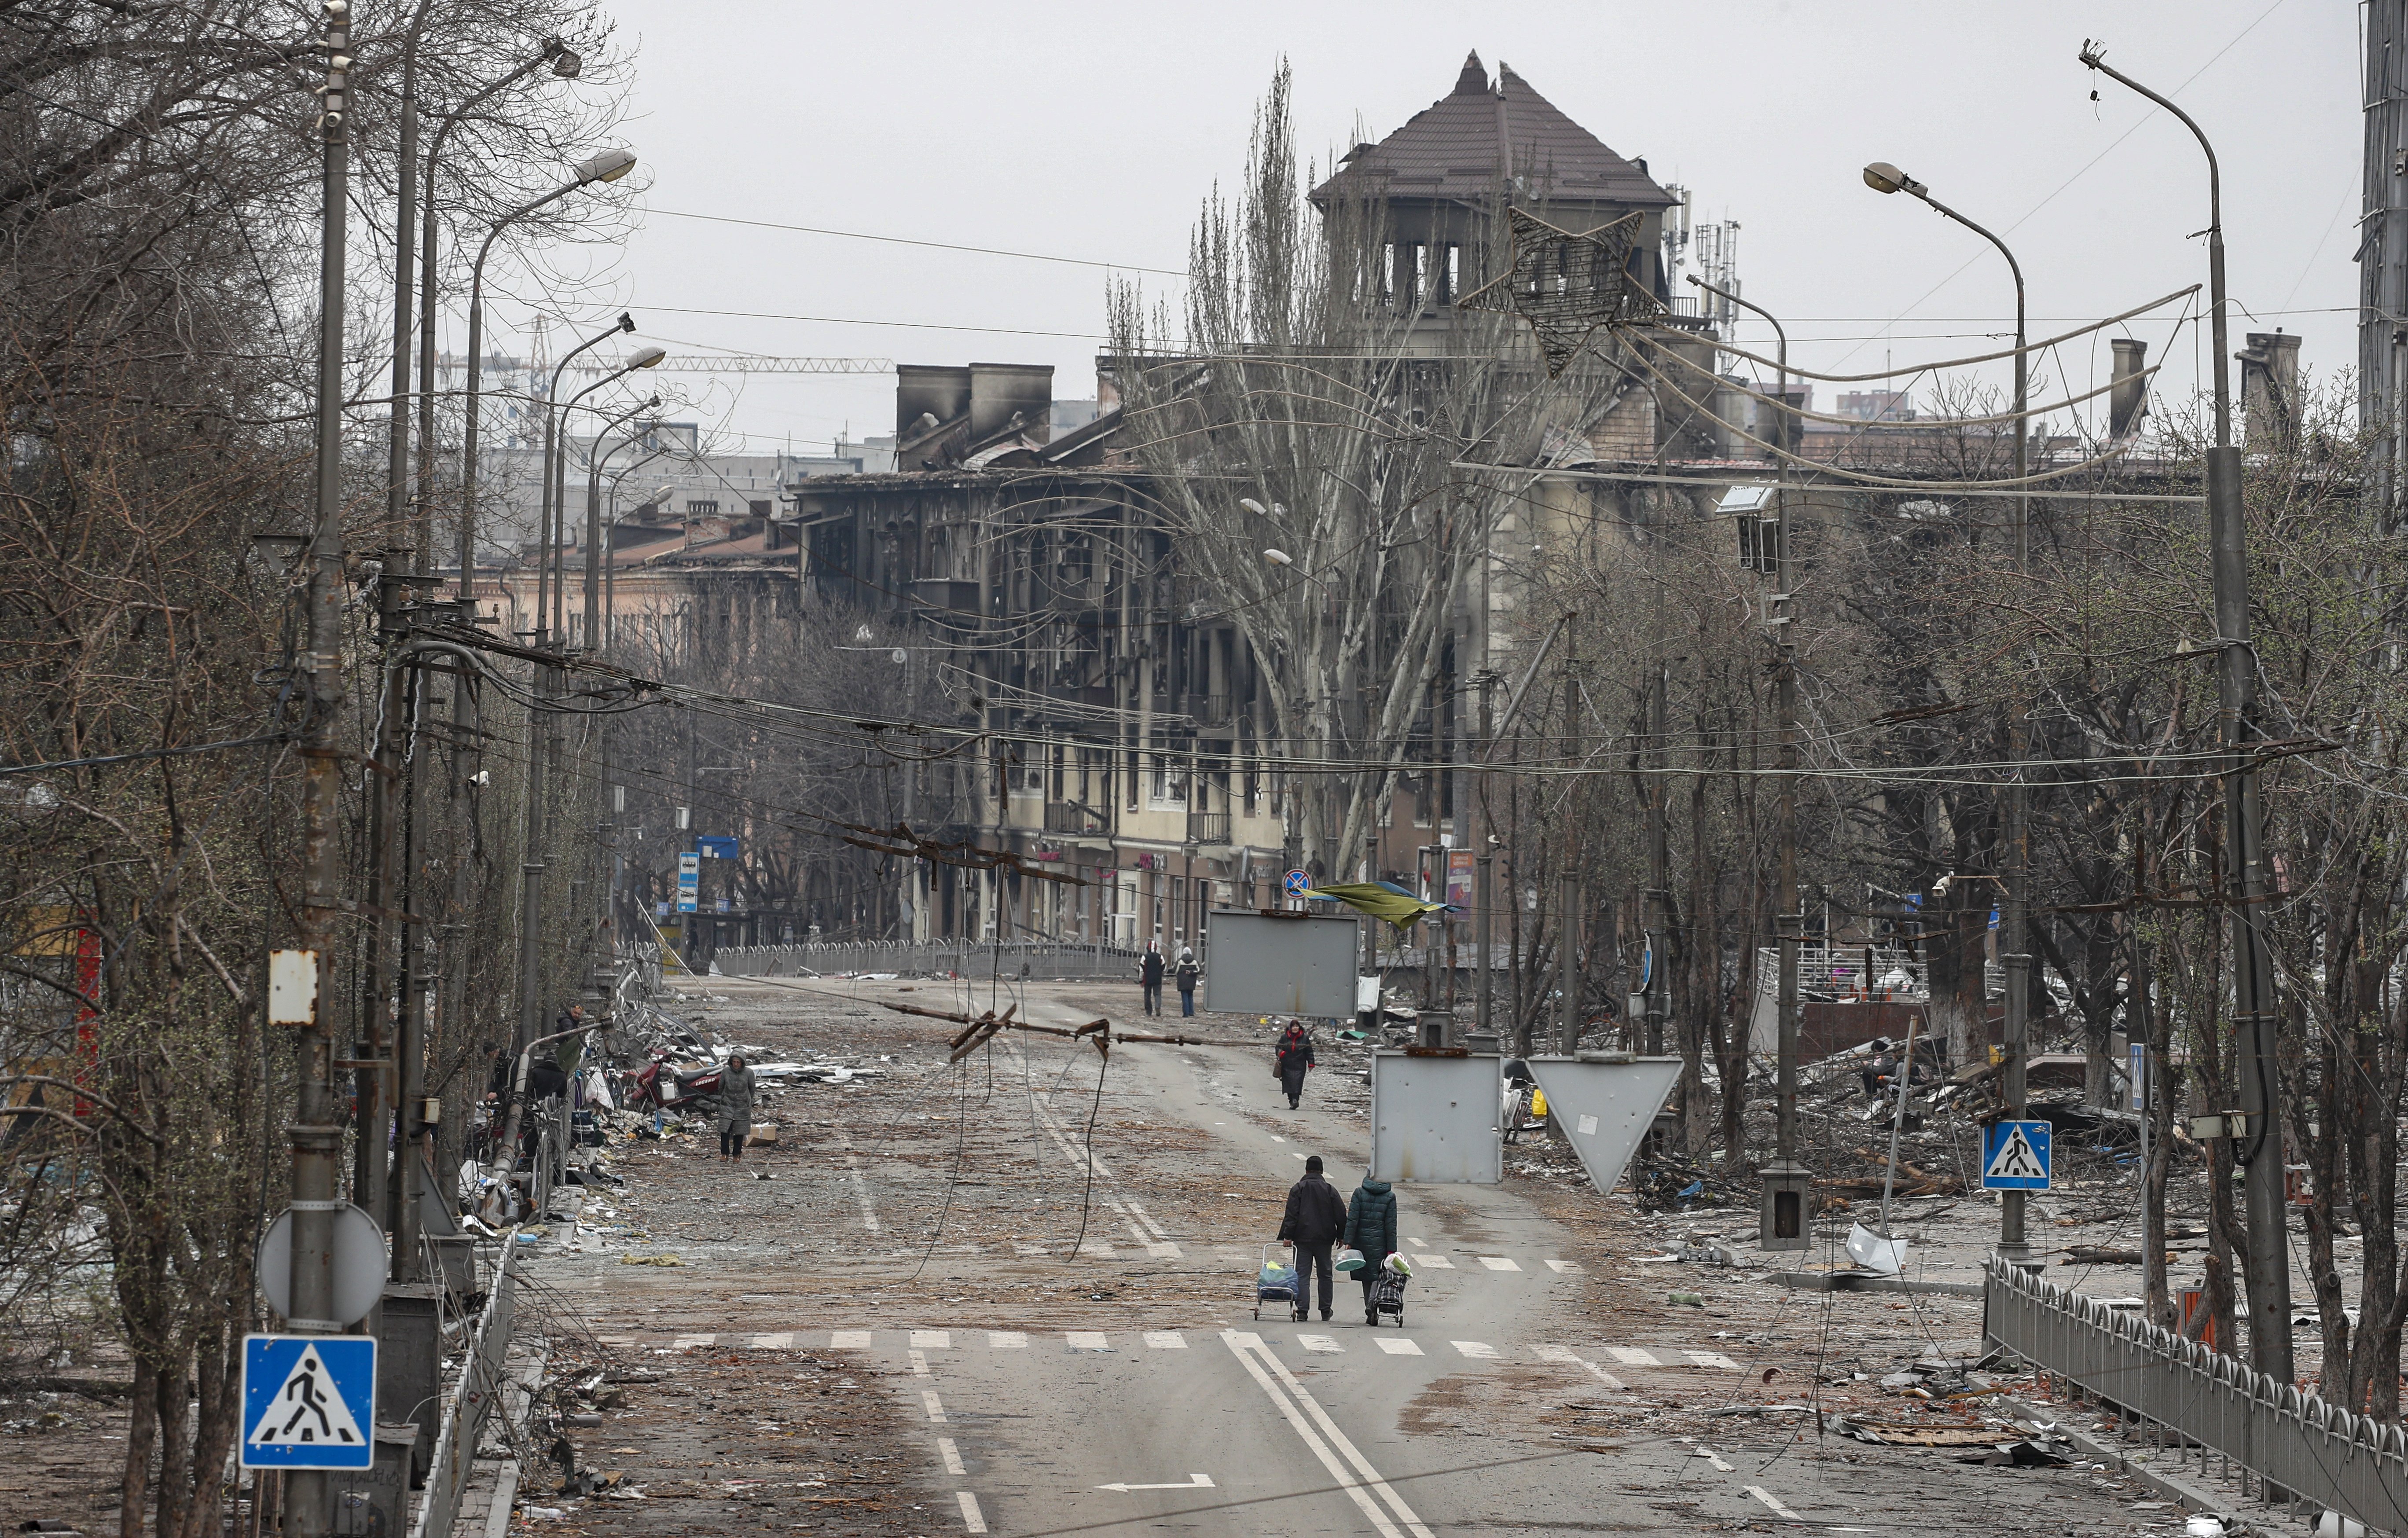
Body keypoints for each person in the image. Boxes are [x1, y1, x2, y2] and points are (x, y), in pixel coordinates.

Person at [1277, 1154, 1347, 1321]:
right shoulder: (1330, 1190)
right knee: (1325, 1275)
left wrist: (1288, 1236)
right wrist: (1342, 1235)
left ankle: (1303, 1311)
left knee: (1302, 1275)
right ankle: (1325, 1310)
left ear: (1306, 1170)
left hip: (1302, 1240)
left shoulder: (1298, 1189)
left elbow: (1292, 1215)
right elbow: (1341, 1214)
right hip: (1324, 1240)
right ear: (1322, 1171)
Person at [1343, 1170, 1399, 1325]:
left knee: (1365, 1275)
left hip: (1361, 1242)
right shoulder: (1390, 1197)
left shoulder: (1359, 1193)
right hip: (1380, 1242)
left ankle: (1370, 1308)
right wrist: (1391, 1249)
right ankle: (1372, 1305)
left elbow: (1352, 1219)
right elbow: (1391, 1225)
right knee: (1378, 1275)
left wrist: (1348, 1241)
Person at [717, 1053, 756, 1161]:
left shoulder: (749, 1073)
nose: (736, 1064)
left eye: (738, 1062)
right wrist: (724, 1097)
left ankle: (737, 1155)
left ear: (742, 1062)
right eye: (734, 1062)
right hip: (727, 1104)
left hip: (742, 1106)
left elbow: (752, 1089)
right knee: (725, 1131)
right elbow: (721, 1086)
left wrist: (747, 1100)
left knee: (739, 1131)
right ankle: (724, 1154)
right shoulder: (726, 1072)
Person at [1274, 1020, 1314, 1109]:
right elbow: (1278, 1047)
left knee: (1297, 1083)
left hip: (1299, 1065)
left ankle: (1295, 1100)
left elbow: (1309, 1052)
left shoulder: (1305, 1038)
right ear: (1290, 1028)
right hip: (1287, 1064)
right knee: (1288, 1084)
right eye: (1293, 1027)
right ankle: (1291, 1101)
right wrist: (1282, 1053)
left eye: (1297, 1026)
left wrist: (1311, 1064)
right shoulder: (1284, 1037)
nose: (1295, 1028)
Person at [1138, 941, 1166, 1017]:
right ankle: (1158, 1007)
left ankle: (1149, 1011)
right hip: (1157, 979)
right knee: (1158, 994)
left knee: (1147, 995)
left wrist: (1141, 980)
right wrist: (1161, 973)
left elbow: (1141, 970)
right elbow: (1164, 967)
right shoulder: (1160, 957)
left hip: (1147, 979)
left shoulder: (1145, 957)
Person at [1174, 947, 1201, 1017]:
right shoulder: (1195, 961)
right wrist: (1192, 972)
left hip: (1182, 981)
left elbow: (1176, 971)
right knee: (1190, 996)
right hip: (1191, 981)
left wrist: (1179, 975)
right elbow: (1199, 970)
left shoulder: (1180, 961)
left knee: (1184, 996)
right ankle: (1191, 1012)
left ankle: (1186, 1013)